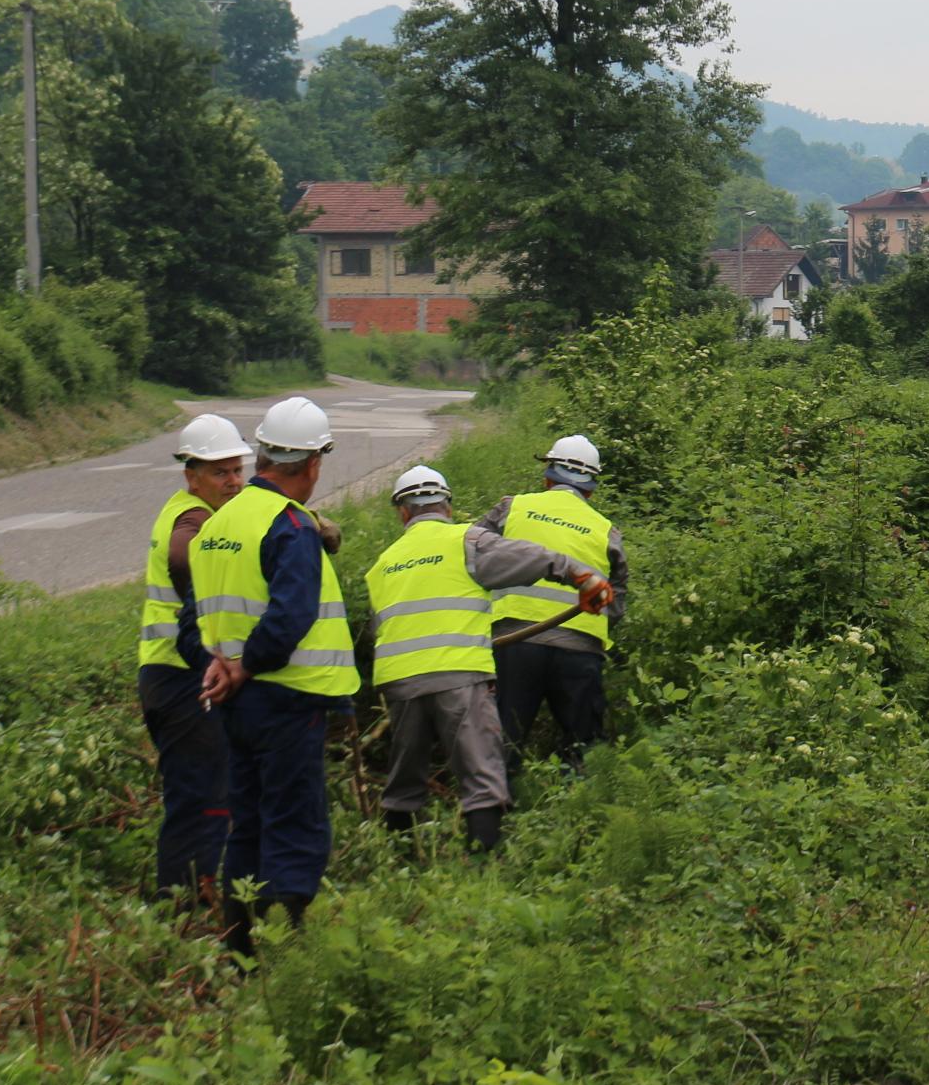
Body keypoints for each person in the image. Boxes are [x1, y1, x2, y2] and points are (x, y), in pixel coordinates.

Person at [366, 465, 612, 849]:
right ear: (447, 506)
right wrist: (582, 575)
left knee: (404, 780)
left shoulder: (382, 564)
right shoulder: (466, 542)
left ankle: (401, 861)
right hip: (460, 677)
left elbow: (378, 628)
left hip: (402, 684)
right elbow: (530, 556)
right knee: (482, 775)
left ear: (402, 512)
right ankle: (483, 865)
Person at [190, 396, 357, 953]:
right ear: (313, 464)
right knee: (294, 826)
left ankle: (240, 950)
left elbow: (204, 617)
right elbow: (290, 616)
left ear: (261, 455)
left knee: (250, 824)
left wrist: (228, 665)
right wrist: (249, 664)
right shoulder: (288, 524)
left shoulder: (219, 523)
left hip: (237, 706)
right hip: (288, 699)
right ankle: (285, 953)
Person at [137, 413, 247, 901]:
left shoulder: (204, 511)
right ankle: (180, 901)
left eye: (237, 469)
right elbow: (185, 555)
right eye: (220, 472)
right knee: (200, 794)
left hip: (170, 677)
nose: (233, 481)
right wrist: (201, 601)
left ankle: (190, 893)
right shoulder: (191, 516)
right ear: (191, 474)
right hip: (179, 678)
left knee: (204, 787)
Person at [483, 434, 625, 769]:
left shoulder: (511, 508)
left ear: (548, 475)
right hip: (581, 651)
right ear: (591, 487)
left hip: (515, 644)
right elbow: (615, 601)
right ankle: (579, 810)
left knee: (503, 742)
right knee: (585, 746)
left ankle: (496, 812)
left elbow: (473, 557)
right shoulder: (606, 531)